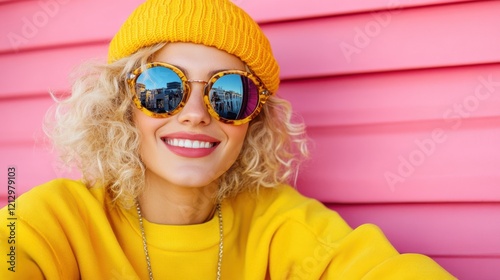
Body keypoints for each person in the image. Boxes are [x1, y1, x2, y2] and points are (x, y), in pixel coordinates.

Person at [0, 0, 456, 279]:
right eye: (164, 88)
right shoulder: (50, 219)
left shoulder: (280, 224)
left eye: (228, 93)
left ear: (253, 120)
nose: (196, 115)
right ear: (123, 104)